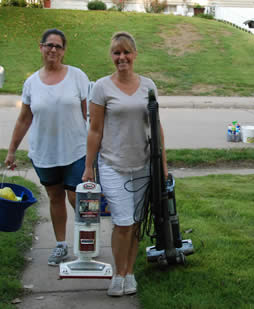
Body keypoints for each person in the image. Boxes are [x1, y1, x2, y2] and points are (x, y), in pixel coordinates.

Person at [82, 31, 168, 297]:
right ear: (112, 56)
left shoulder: (148, 86)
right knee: (122, 222)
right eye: (117, 53)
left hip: (143, 165)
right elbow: (95, 131)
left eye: (126, 52)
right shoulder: (101, 87)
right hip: (112, 165)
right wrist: (88, 167)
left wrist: (163, 166)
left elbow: (157, 128)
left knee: (136, 222)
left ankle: (130, 273)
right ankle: (117, 274)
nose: (122, 58)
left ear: (135, 55)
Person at [5, 28, 89, 266]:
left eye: (58, 46)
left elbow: (89, 116)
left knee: (77, 198)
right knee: (55, 197)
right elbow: (24, 119)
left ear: (64, 51)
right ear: (40, 47)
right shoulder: (31, 83)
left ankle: (87, 244)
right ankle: (61, 245)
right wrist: (11, 150)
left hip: (75, 150)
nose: (53, 49)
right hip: (44, 153)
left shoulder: (77, 77)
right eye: (49, 45)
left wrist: (96, 148)